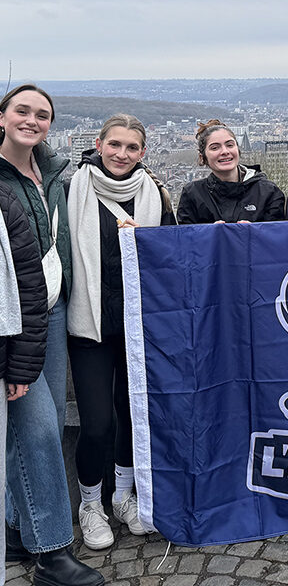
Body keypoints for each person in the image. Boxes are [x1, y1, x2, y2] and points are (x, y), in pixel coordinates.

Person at [0, 84, 103, 585]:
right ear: (2, 117)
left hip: (54, 309)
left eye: (42, 114)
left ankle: (19, 530)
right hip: (12, 319)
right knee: (39, 429)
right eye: (22, 110)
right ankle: (52, 554)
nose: (32, 120)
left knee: (29, 428)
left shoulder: (56, 171)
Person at [67, 114, 176, 550]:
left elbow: (172, 254)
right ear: (98, 143)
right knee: (96, 423)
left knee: (133, 417)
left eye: (132, 148)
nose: (121, 154)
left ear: (143, 153)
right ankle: (90, 502)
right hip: (88, 322)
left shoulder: (155, 194)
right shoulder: (73, 188)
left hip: (135, 323)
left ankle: (124, 495)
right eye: (115, 145)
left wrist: (145, 242)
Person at [0, 181, 50, 586]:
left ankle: (49, 548)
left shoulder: (8, 195)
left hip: (23, 334)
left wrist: (17, 363)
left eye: (42, 113)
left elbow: (26, 279)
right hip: (22, 335)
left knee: (39, 432)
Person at [177, 119, 284, 224]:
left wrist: (254, 233)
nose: (225, 151)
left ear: (238, 150)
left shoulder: (268, 192)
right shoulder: (193, 194)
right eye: (215, 148)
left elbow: (277, 236)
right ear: (203, 158)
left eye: (230, 145)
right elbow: (186, 238)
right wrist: (210, 235)